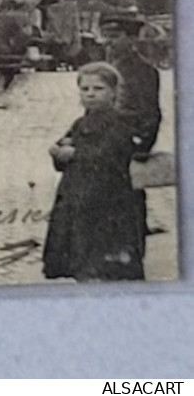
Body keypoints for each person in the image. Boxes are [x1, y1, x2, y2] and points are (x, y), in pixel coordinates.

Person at [43, 62, 145, 282]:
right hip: (77, 201)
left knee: (106, 264)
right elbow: (63, 159)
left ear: (113, 92)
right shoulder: (80, 123)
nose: (90, 94)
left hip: (108, 203)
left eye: (98, 89)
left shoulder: (120, 123)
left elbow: (108, 157)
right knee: (81, 260)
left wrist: (73, 154)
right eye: (85, 89)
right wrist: (57, 153)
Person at [105, 20, 163, 239]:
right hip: (110, 137)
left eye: (114, 36)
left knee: (131, 186)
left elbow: (151, 112)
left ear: (130, 39)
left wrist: (143, 143)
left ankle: (135, 232)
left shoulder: (142, 70)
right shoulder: (113, 66)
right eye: (107, 37)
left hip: (129, 138)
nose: (108, 42)